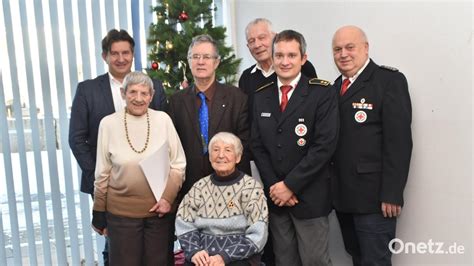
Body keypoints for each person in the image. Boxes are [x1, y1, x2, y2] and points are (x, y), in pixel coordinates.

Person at [68, 29, 167, 265]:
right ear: (105, 56)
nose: (121, 58)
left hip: (149, 182)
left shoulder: (153, 86)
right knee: (113, 245)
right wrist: (98, 176)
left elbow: (164, 134)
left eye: (126, 53)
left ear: (133, 55)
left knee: (152, 247)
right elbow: (76, 138)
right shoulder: (88, 90)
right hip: (106, 183)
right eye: (115, 54)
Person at [251, 30, 338, 266]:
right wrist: (275, 187)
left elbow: (324, 146)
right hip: (277, 199)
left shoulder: (321, 93)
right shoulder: (261, 95)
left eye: (291, 55)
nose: (285, 61)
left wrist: (290, 186)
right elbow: (257, 146)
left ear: (303, 58)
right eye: (279, 55)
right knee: (284, 261)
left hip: (310, 196)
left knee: (314, 261)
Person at [330, 25, 412, 266]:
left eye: (349, 47)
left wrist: (392, 193)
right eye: (337, 49)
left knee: (376, 261)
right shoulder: (334, 87)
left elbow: (398, 143)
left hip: (375, 199)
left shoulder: (389, 81)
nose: (343, 54)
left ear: (365, 48)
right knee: (357, 258)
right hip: (343, 197)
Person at [91, 71, 186, 266]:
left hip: (158, 214)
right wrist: (98, 211)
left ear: (151, 96)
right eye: (133, 92)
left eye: (145, 93)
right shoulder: (108, 124)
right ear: (123, 93)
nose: (139, 98)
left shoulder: (163, 120)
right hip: (121, 218)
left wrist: (168, 199)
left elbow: (178, 164)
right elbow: (102, 173)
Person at [168, 34, 250, 202]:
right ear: (189, 62)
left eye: (206, 57)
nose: (200, 62)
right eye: (195, 57)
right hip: (189, 189)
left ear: (216, 62)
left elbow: (244, 143)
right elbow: (171, 147)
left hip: (230, 186)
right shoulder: (176, 101)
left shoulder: (237, 98)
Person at [176, 132, 268, 266]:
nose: (221, 155)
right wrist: (195, 251)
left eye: (228, 150)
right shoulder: (199, 187)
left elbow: (258, 234)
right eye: (216, 150)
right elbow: (184, 222)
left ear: (238, 157)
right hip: (204, 256)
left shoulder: (251, 188)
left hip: (238, 258)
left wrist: (224, 257)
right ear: (210, 157)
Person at [239, 18, 317, 124]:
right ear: (248, 47)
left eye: (262, 38)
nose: (257, 45)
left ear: (275, 38)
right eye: (251, 41)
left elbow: (314, 105)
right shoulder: (246, 77)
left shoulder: (301, 67)